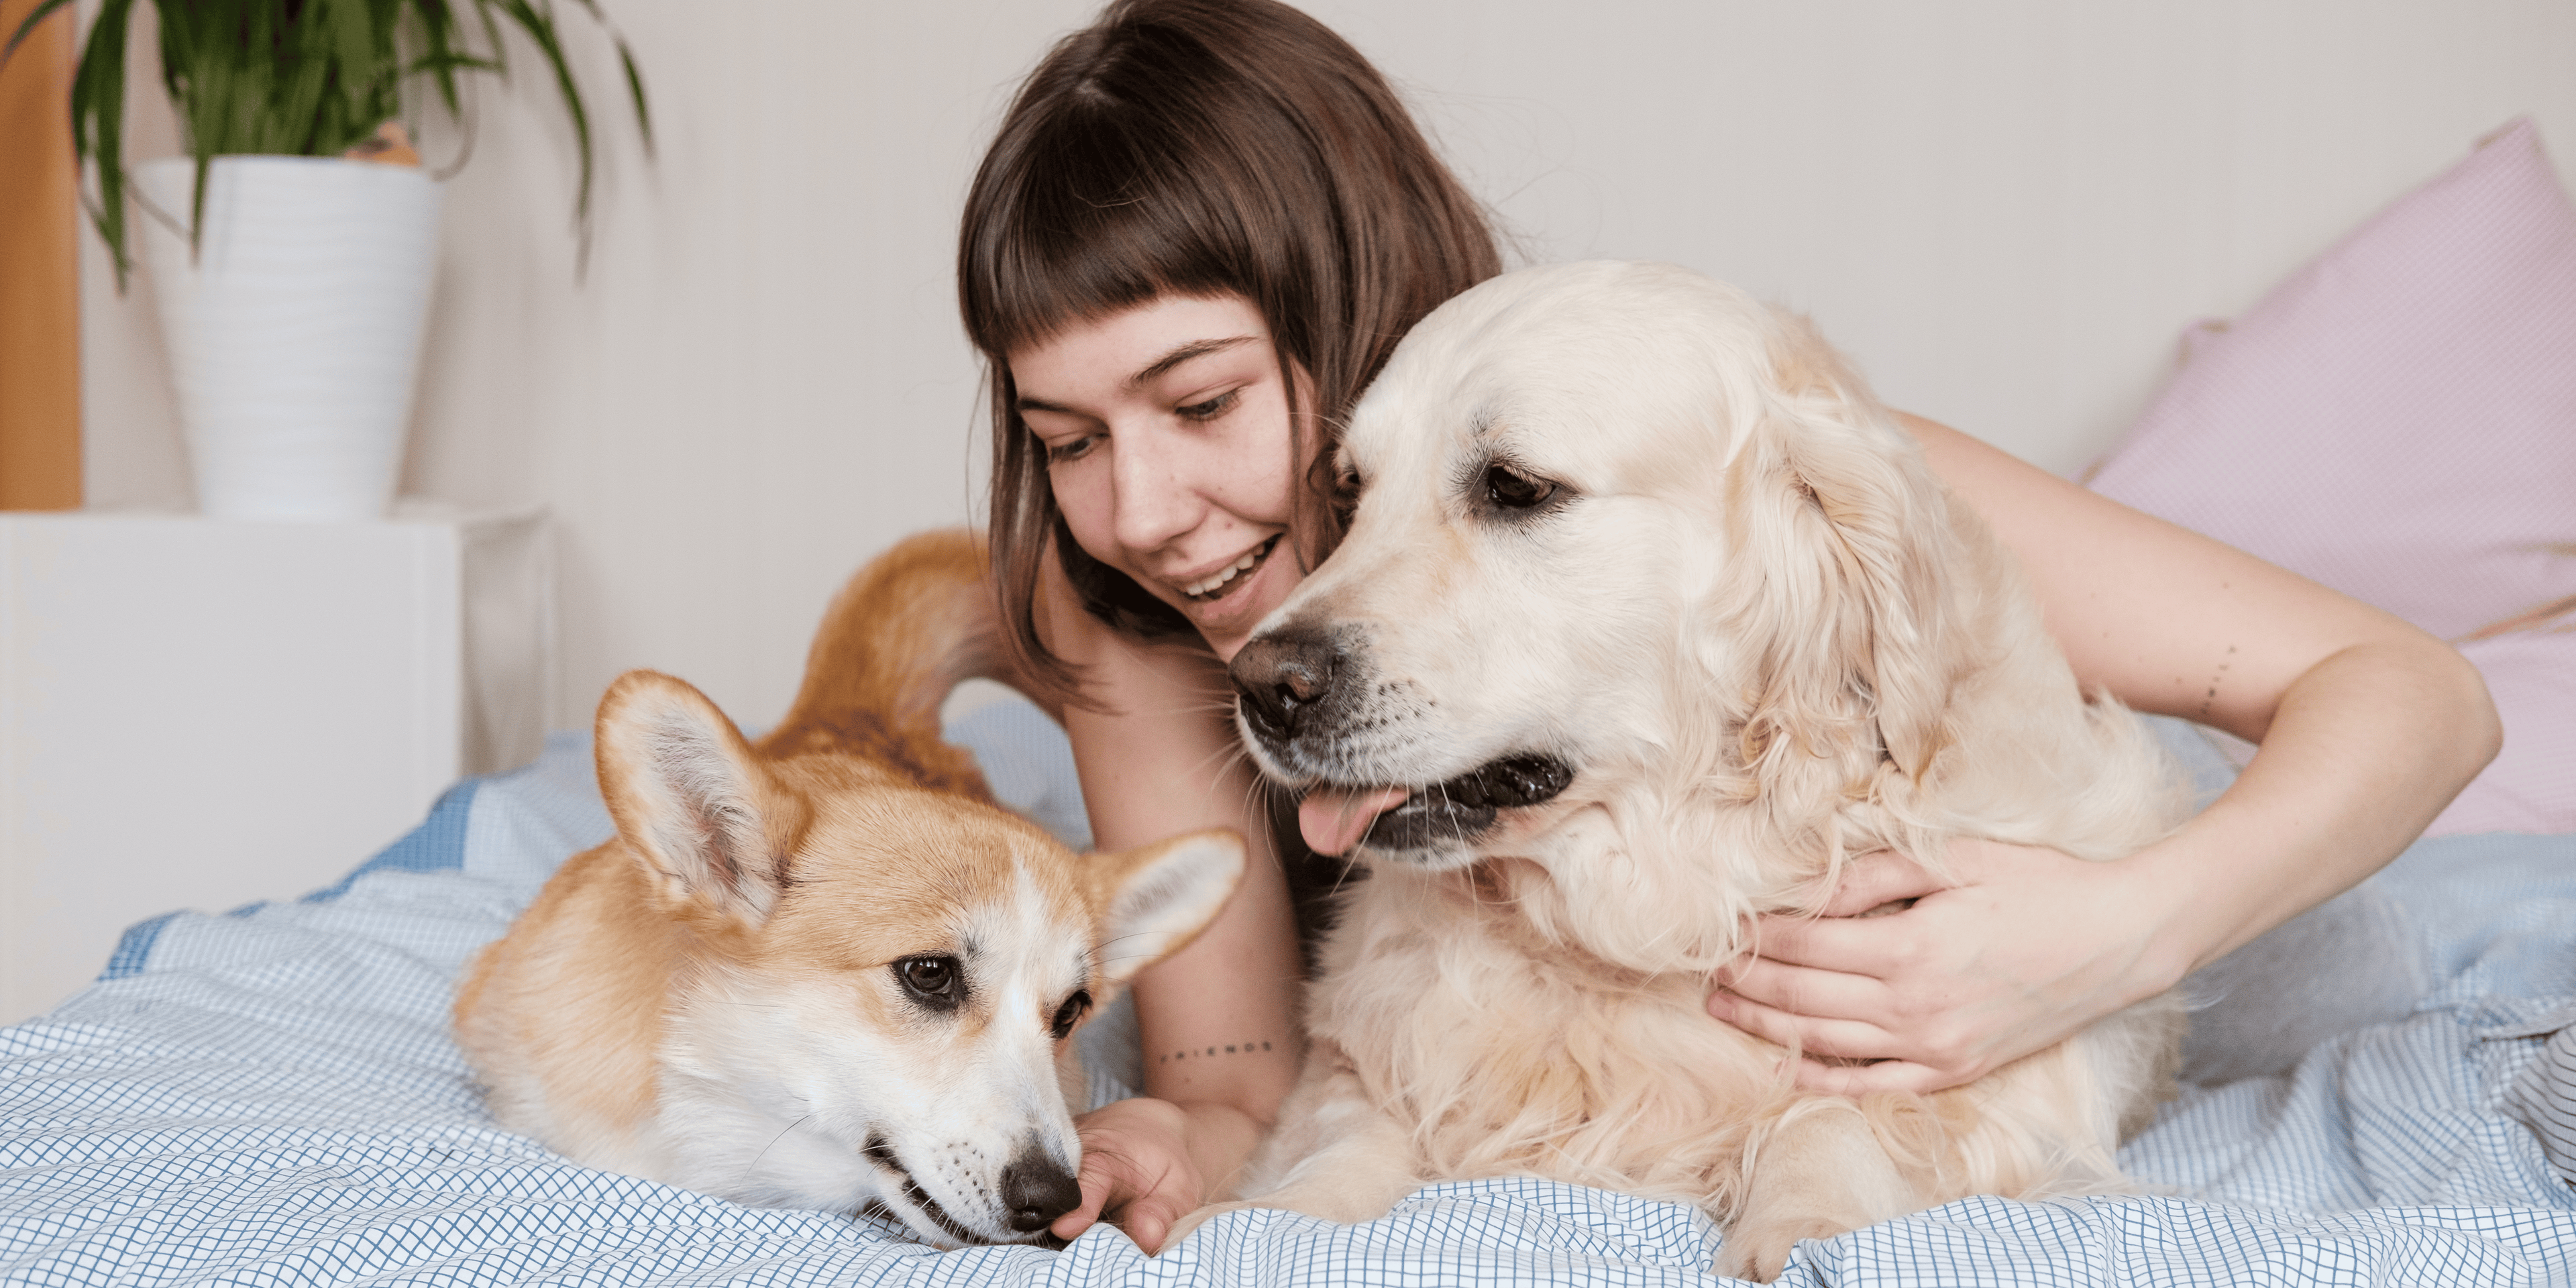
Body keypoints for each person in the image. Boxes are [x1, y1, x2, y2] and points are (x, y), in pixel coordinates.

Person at [955, 0, 2500, 1254]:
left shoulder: (1782, 459)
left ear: (1351, 313)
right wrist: (1174, 1136)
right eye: (1068, 439)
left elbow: (2413, 691)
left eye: (1204, 400)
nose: (1140, 508)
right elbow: (1232, 1074)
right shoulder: (1127, 609)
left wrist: (2113, 934)